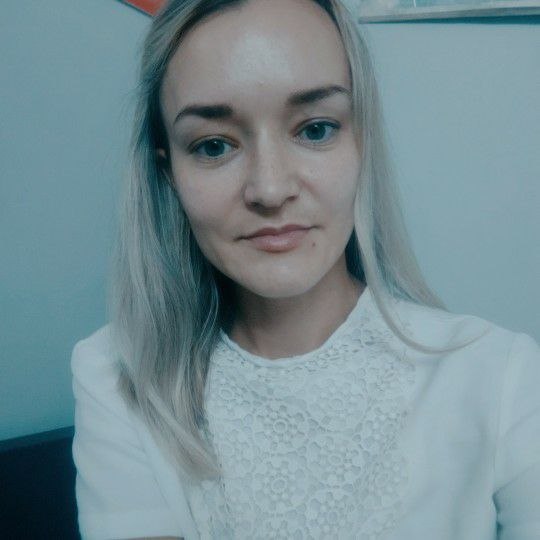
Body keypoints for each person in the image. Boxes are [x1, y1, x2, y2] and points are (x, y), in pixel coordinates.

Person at [70, 0, 540, 538]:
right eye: (214, 145)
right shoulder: (118, 376)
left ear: (362, 142)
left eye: (315, 130)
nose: (270, 189)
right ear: (169, 173)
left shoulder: (500, 375)